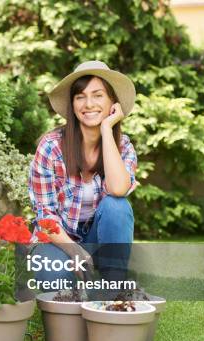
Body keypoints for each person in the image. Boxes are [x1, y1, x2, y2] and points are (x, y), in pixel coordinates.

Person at [27, 60, 137, 295]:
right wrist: (75, 251)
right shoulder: (51, 147)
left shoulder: (123, 147)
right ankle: (74, 292)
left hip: (98, 238)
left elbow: (118, 190)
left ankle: (113, 292)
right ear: (72, 105)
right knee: (55, 279)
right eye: (80, 97)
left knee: (117, 206)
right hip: (57, 239)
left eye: (98, 96)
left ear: (112, 103)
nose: (89, 104)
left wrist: (107, 129)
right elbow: (45, 216)